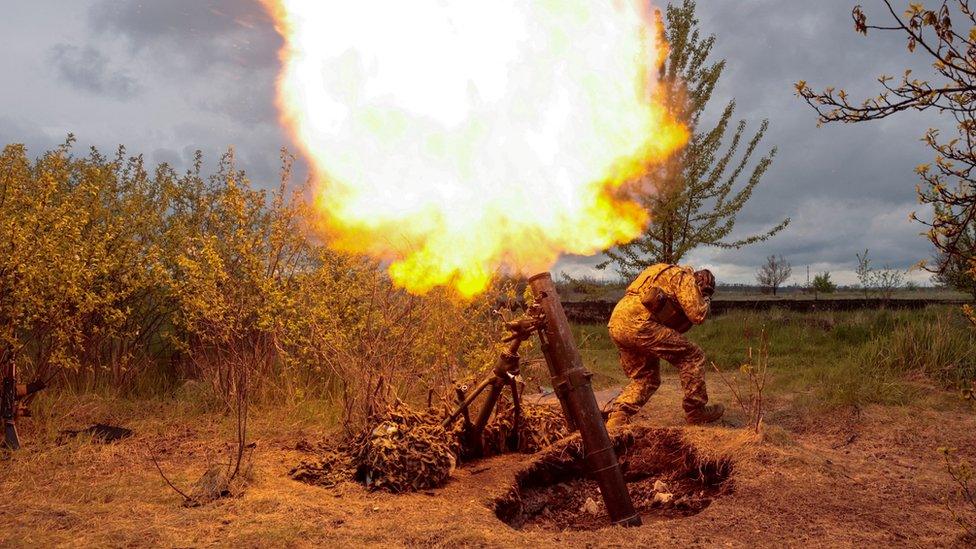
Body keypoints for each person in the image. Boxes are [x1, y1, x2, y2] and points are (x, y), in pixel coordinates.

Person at [605, 264, 724, 427]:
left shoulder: (658, 271)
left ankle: (619, 415)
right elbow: (697, 315)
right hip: (642, 323)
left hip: (617, 322)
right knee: (692, 356)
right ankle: (696, 411)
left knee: (646, 377)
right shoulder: (684, 277)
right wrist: (705, 297)